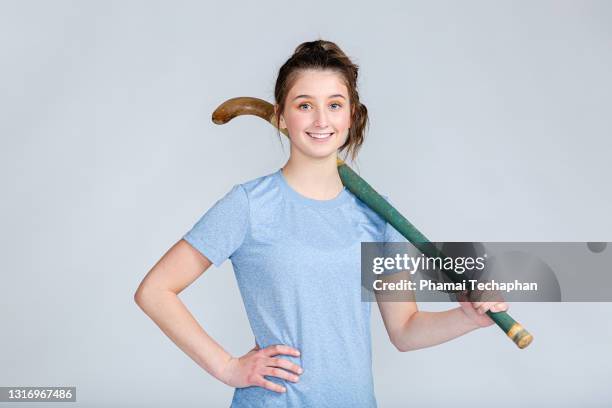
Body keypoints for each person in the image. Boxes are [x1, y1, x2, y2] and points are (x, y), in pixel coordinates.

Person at [134, 39, 508, 407]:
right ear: (281, 115)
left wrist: (467, 318)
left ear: (352, 115)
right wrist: (227, 366)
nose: (321, 120)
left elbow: (405, 330)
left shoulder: (378, 215)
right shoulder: (249, 205)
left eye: (334, 104)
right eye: (304, 105)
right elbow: (155, 290)